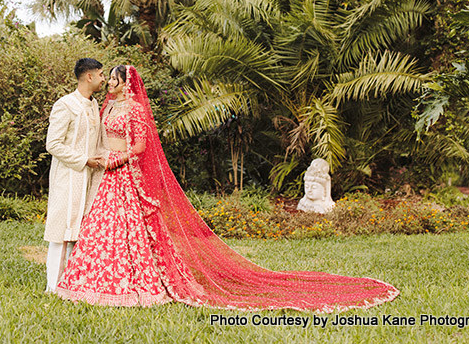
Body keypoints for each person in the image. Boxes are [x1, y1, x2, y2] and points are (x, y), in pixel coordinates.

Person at [55, 65, 399, 311]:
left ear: (125, 83)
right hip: (107, 177)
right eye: (107, 77)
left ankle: (136, 283)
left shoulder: (134, 109)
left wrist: (115, 160)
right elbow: (103, 137)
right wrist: (99, 156)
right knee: (103, 230)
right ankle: (93, 282)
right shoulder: (108, 106)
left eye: (113, 77)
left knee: (130, 232)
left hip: (124, 174)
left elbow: (141, 147)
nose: (108, 82)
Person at [43, 58, 108, 293]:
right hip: (68, 176)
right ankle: (53, 285)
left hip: (89, 177)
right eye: (101, 74)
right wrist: (83, 161)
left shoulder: (94, 104)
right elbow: (53, 144)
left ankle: (71, 283)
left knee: (79, 231)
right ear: (88, 76)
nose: (104, 79)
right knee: (62, 231)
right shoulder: (65, 105)